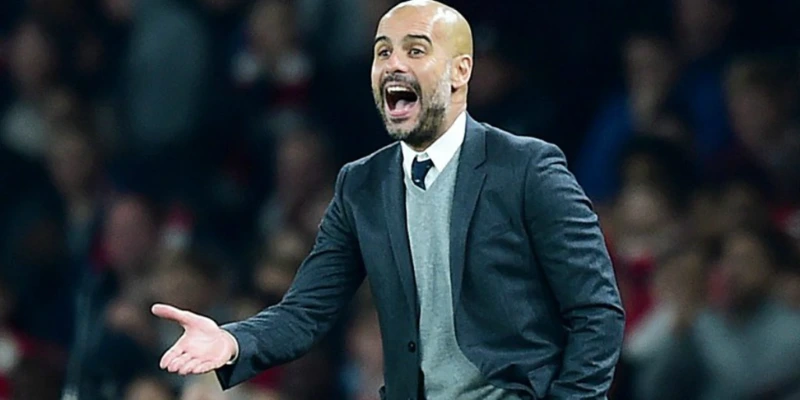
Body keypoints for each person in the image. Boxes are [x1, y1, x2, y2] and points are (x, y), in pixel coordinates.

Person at [152, 1, 625, 399]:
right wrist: (232, 342)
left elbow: (596, 311)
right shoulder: (361, 185)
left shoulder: (527, 168)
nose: (393, 64)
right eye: (383, 52)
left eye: (415, 50)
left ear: (460, 71)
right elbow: (305, 312)